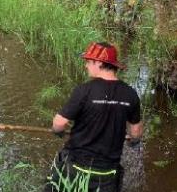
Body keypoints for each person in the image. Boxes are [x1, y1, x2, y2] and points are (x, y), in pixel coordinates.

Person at [45, 42, 143, 192]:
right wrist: (133, 141)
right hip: (107, 174)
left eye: (88, 62)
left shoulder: (84, 90)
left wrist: (57, 131)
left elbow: (59, 123)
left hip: (76, 168)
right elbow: (136, 133)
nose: (86, 66)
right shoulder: (130, 94)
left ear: (98, 63)